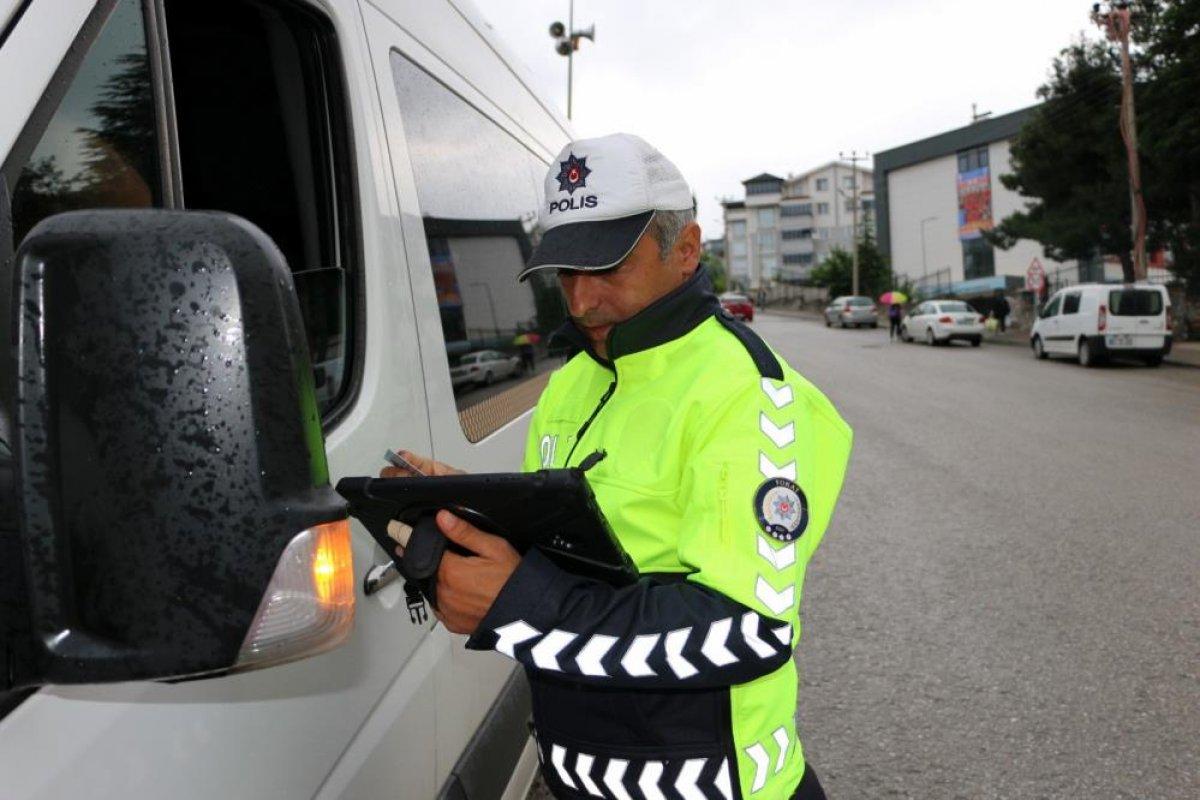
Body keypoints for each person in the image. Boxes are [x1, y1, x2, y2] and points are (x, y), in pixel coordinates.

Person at [384, 134, 852, 800]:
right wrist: (457, 513)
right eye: (567, 272)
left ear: (686, 251)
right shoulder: (570, 384)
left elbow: (751, 630)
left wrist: (525, 608)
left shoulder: (753, 396)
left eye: (608, 268)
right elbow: (561, 552)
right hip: (577, 779)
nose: (580, 301)